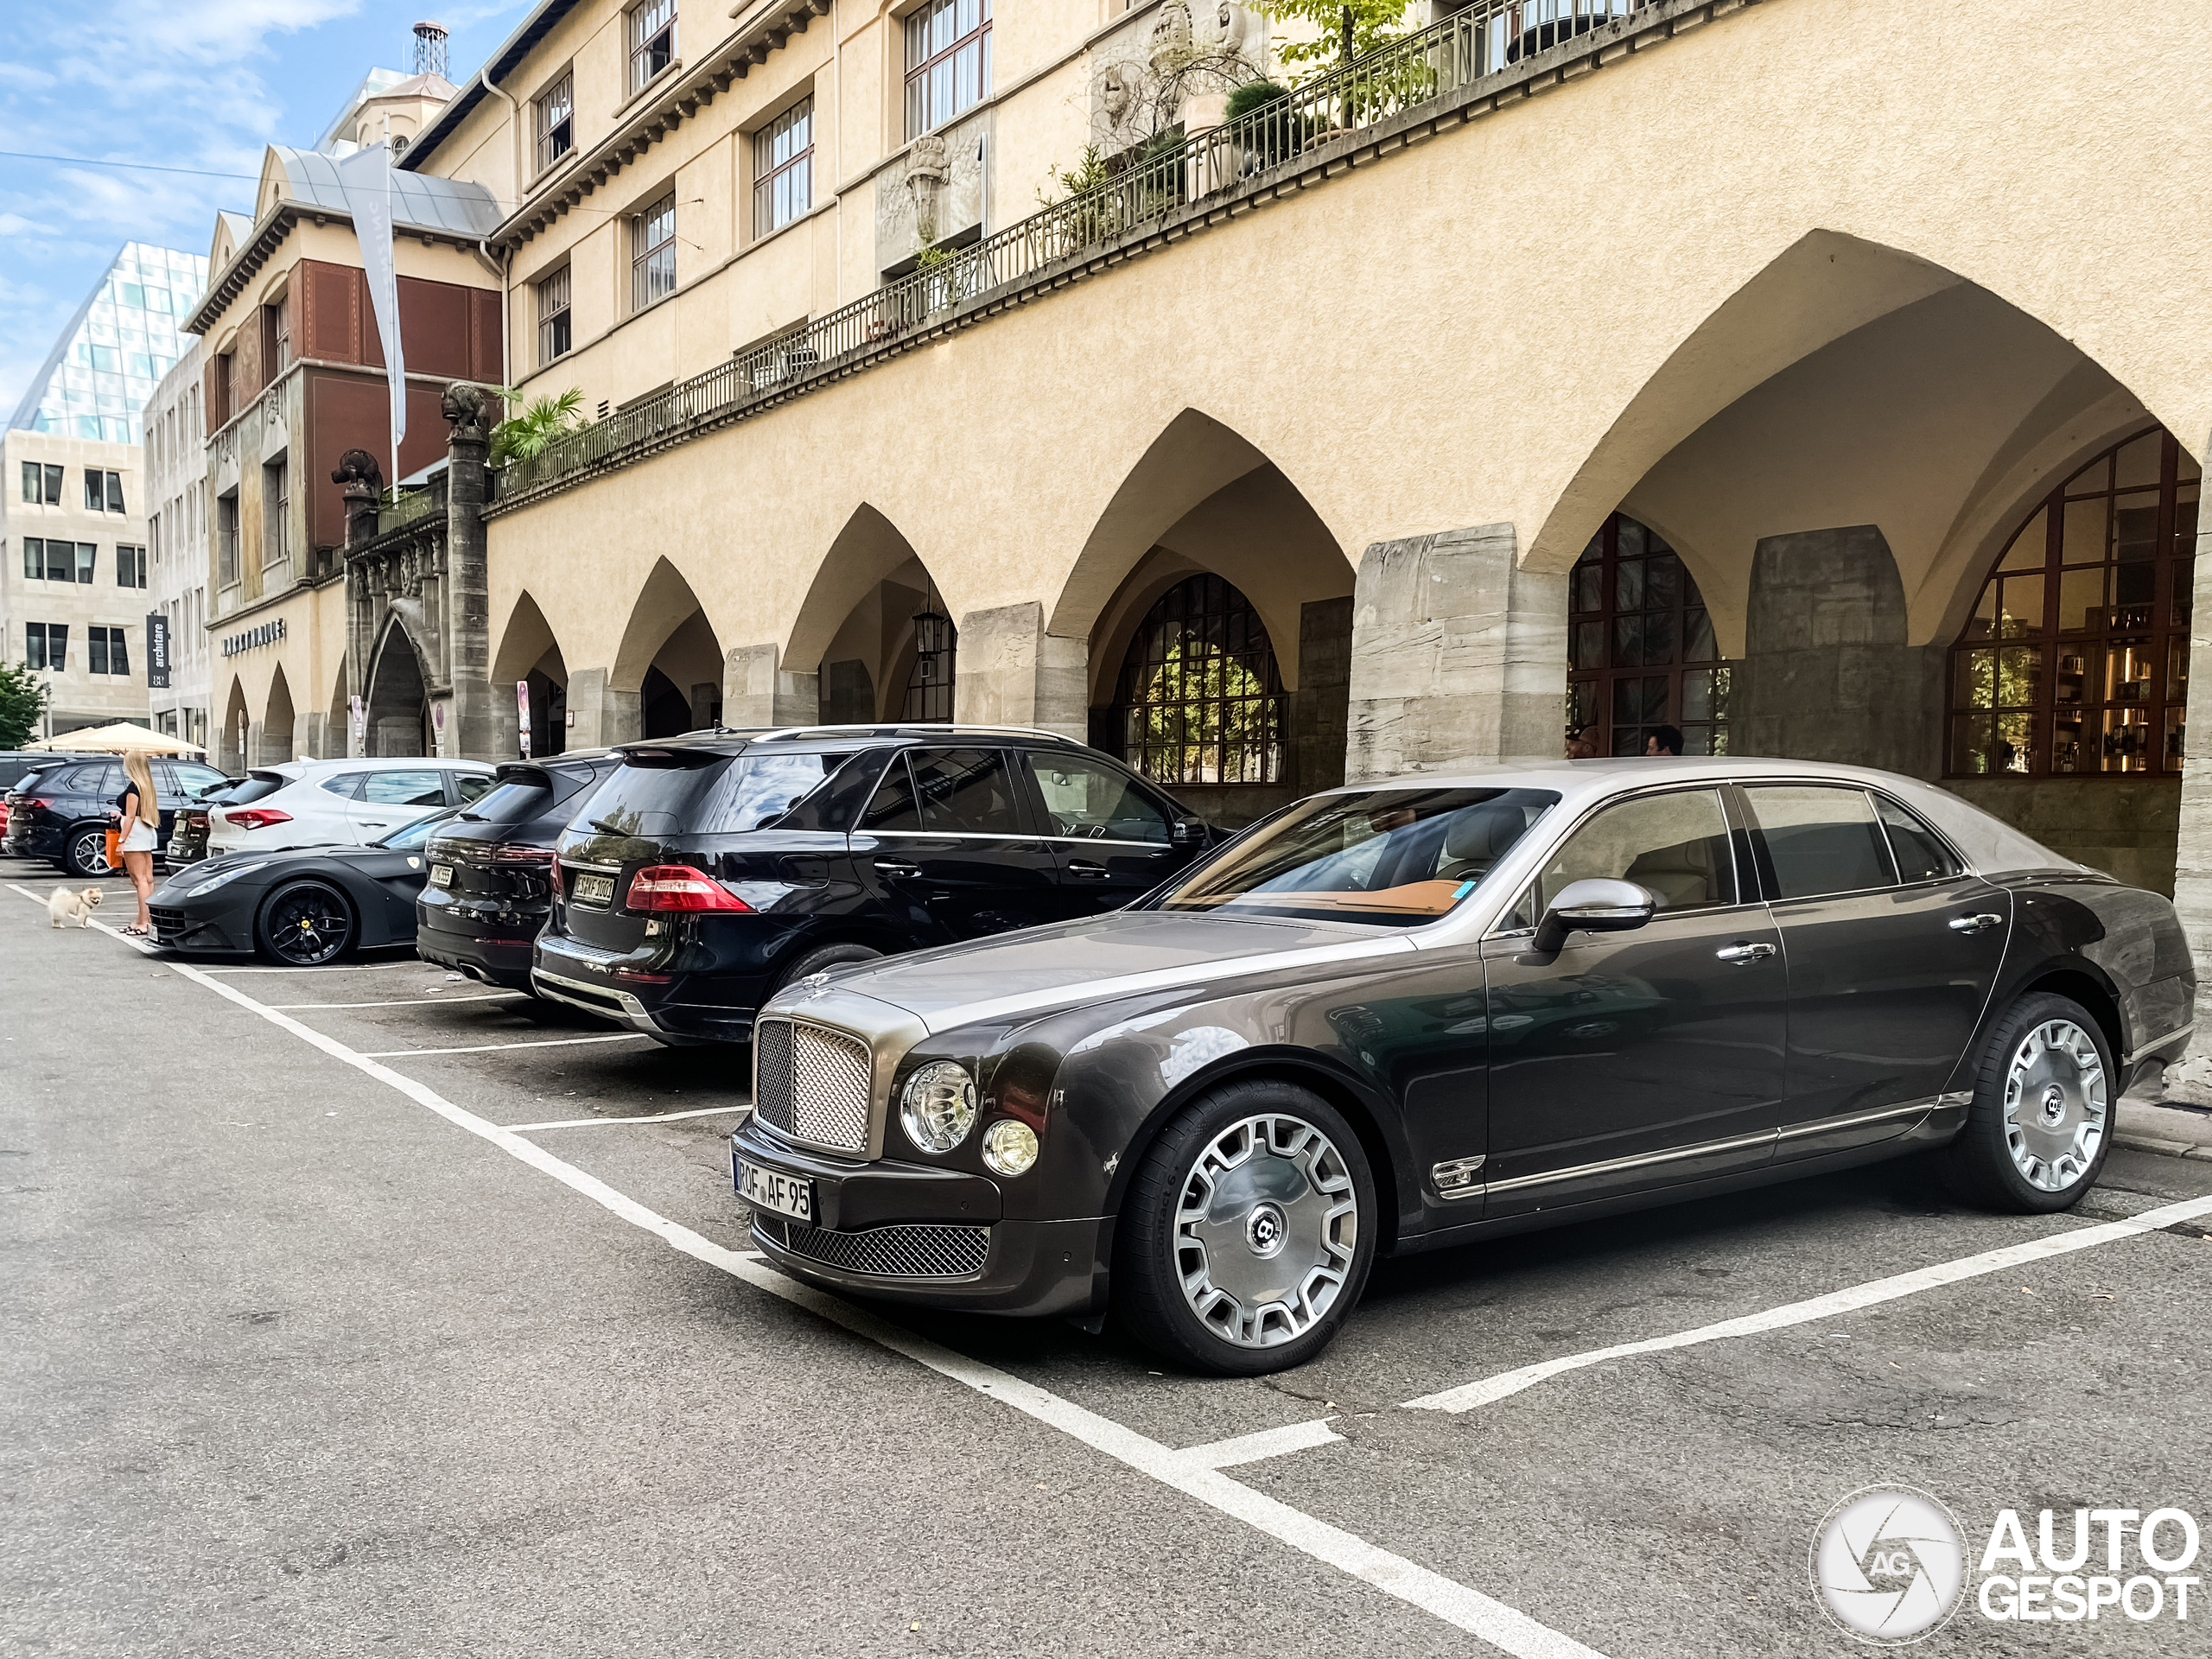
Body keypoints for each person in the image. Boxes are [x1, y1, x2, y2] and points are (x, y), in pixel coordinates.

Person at [112, 751, 161, 938]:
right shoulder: (146, 785)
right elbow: (134, 813)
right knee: (147, 879)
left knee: (138, 878)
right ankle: (146, 919)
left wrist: (121, 841)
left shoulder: (133, 788)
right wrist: (121, 814)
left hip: (134, 832)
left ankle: (142, 922)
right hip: (147, 829)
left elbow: (131, 816)